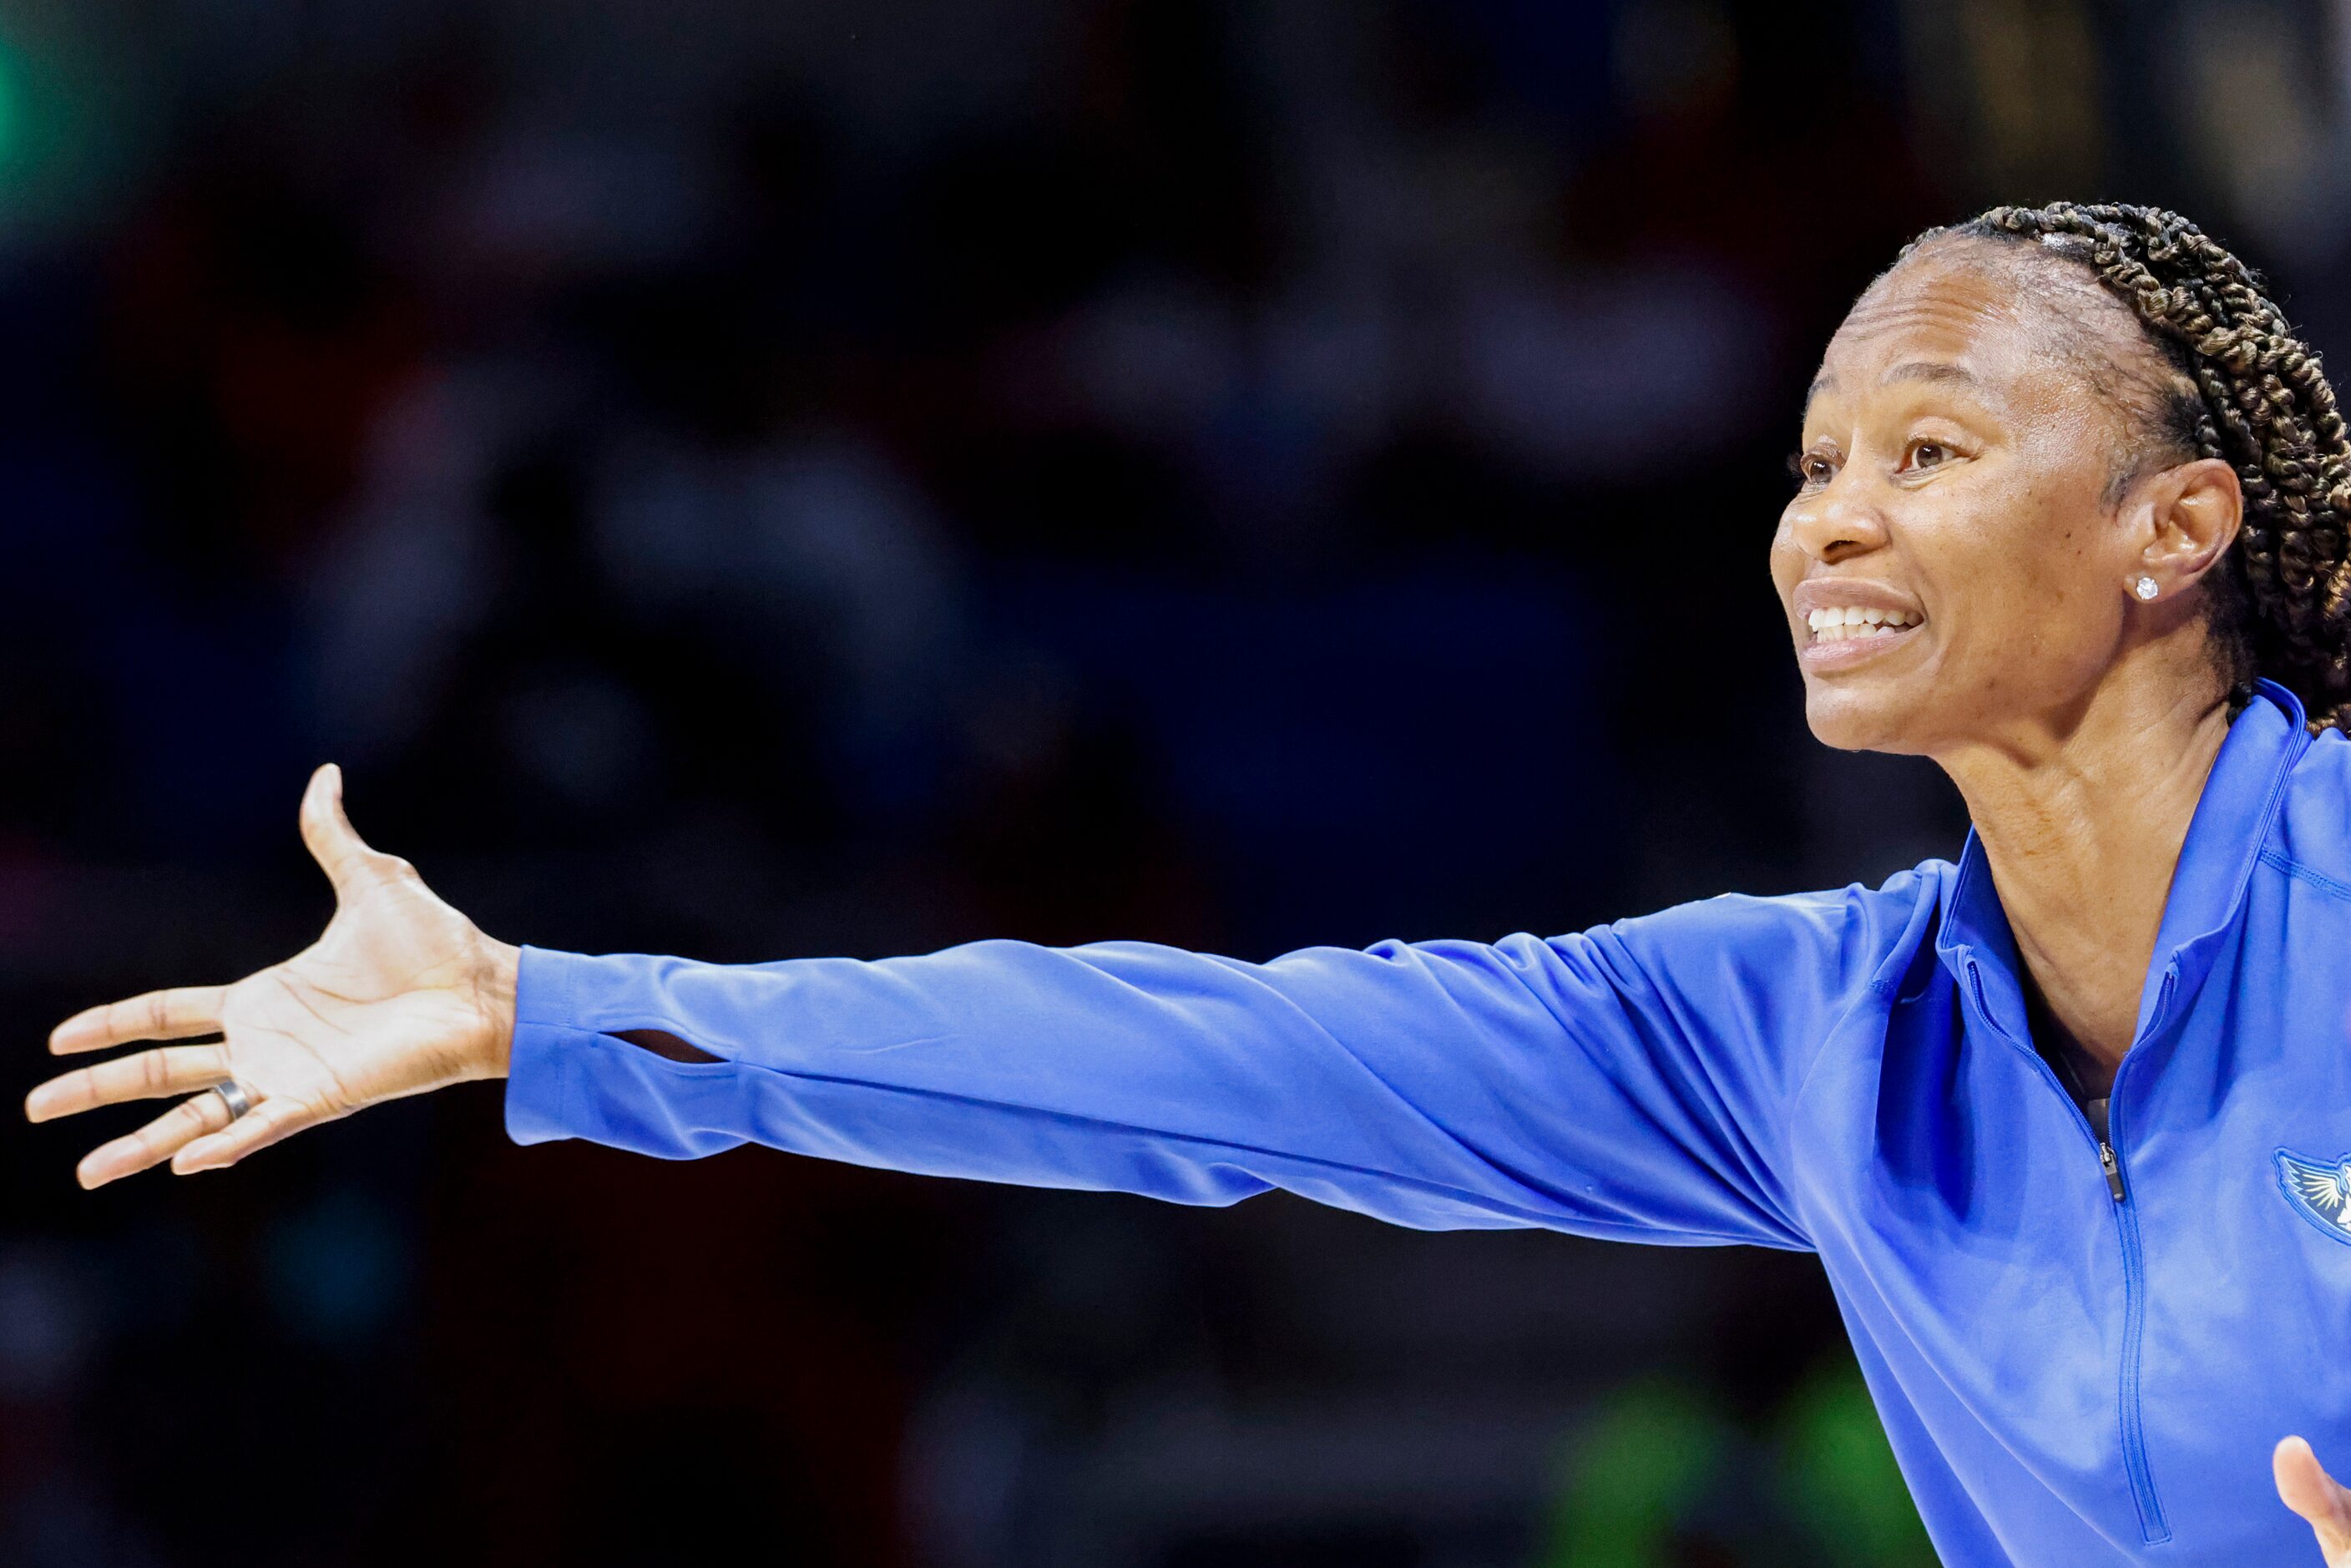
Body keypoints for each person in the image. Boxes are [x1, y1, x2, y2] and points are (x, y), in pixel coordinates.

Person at [24, 200, 2351, 1565]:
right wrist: (544, 1011)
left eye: (1928, 450)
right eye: (1816, 456)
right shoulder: (1804, 1033)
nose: (1827, 519)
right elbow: (1196, 1063)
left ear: (2182, 524)